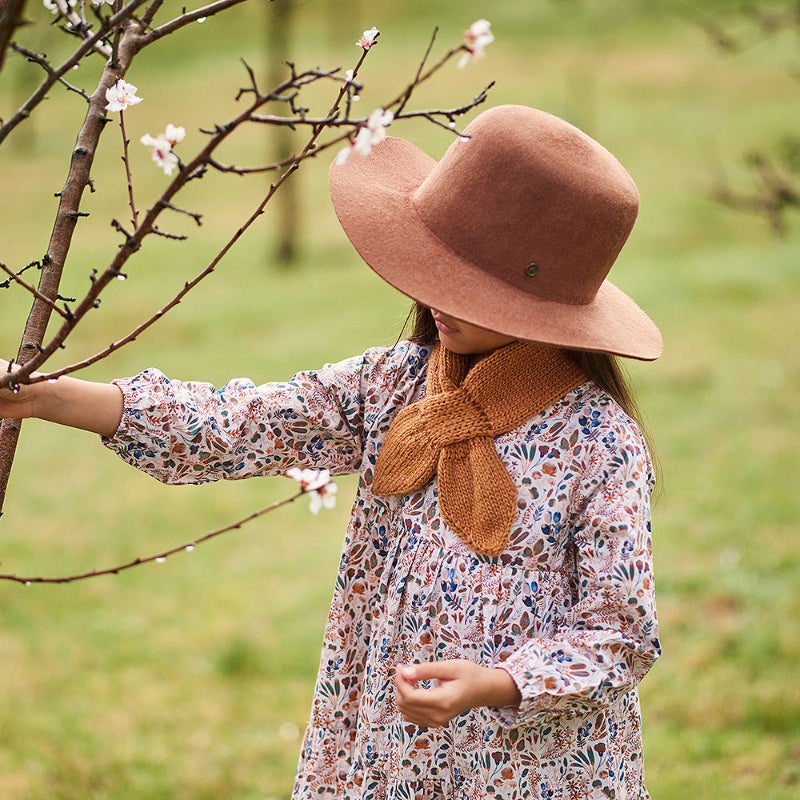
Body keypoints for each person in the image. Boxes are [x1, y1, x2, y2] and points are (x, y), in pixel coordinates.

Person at [0, 105, 662, 799]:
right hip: (385, 756)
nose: (436, 297)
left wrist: (497, 684)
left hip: (534, 772)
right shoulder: (393, 385)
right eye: (436, 269)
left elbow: (620, 633)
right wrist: (52, 398)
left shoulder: (598, 443)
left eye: (470, 286)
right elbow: (243, 423)